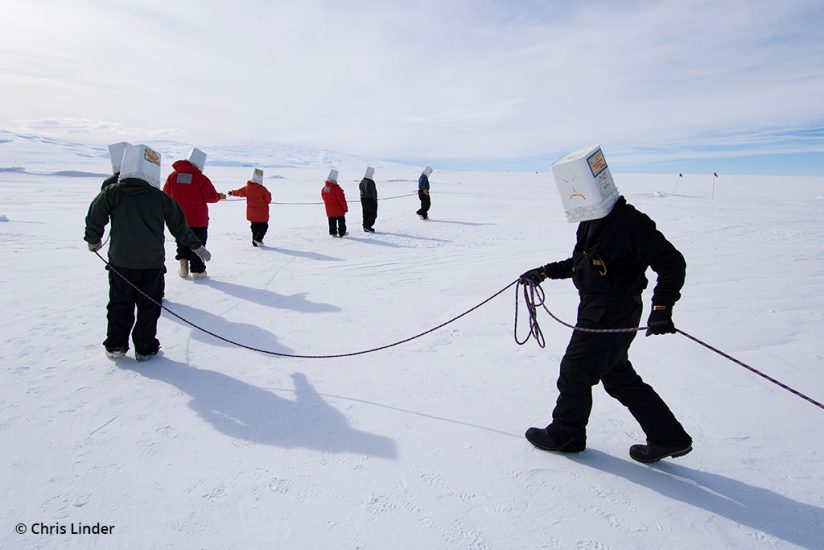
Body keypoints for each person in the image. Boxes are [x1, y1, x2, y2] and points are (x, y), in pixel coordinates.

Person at [520, 145, 692, 464]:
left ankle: (566, 433)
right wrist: (544, 272)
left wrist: (662, 308)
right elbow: (580, 262)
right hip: (596, 308)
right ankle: (668, 436)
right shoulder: (591, 221)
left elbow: (671, 262)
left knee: (575, 371)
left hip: (612, 311)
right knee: (617, 374)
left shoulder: (632, 223)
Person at [84, 144, 211, 361]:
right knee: (149, 307)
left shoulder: (112, 193)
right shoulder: (160, 198)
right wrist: (197, 247)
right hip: (151, 265)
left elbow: (95, 216)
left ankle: (115, 346)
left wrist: (93, 240)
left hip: (121, 264)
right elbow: (180, 227)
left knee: (119, 305)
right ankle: (145, 348)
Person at [162, 147, 225, 279]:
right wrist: (219, 196)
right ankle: (198, 271)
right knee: (198, 243)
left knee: (182, 241)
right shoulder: (200, 178)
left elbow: (165, 195)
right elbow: (211, 197)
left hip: (178, 219)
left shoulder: (172, 176)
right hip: (198, 219)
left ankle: (183, 265)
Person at [228, 168, 272, 247]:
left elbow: (239, 192)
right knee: (263, 226)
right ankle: (258, 239)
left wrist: (232, 192)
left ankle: (255, 242)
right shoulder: (262, 189)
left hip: (252, 213)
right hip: (261, 214)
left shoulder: (247, 188)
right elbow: (268, 199)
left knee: (254, 227)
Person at [321, 169, 348, 237]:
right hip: (338, 209)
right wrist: (345, 208)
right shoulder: (337, 188)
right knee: (341, 221)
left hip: (329, 209)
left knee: (331, 221)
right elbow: (341, 199)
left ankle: (333, 232)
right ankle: (342, 233)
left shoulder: (324, 189)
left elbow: (324, 198)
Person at [359, 166, 378, 233]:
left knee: (365, 213)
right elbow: (373, 192)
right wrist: (375, 200)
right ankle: (368, 226)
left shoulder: (362, 181)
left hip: (363, 199)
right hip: (370, 199)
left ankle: (365, 226)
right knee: (373, 213)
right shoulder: (371, 182)